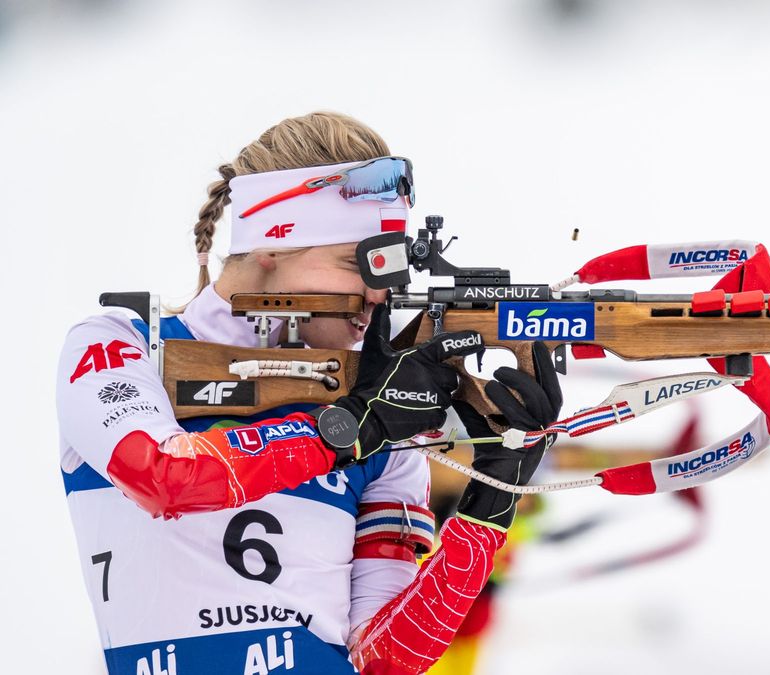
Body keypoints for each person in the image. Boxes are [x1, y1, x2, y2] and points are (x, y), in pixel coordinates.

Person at [55, 111, 561, 675]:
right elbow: (162, 474)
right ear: (273, 243)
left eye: (390, 272)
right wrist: (348, 430)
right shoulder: (123, 344)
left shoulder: (380, 415)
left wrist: (491, 503)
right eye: (356, 262)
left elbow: (384, 658)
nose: (378, 294)